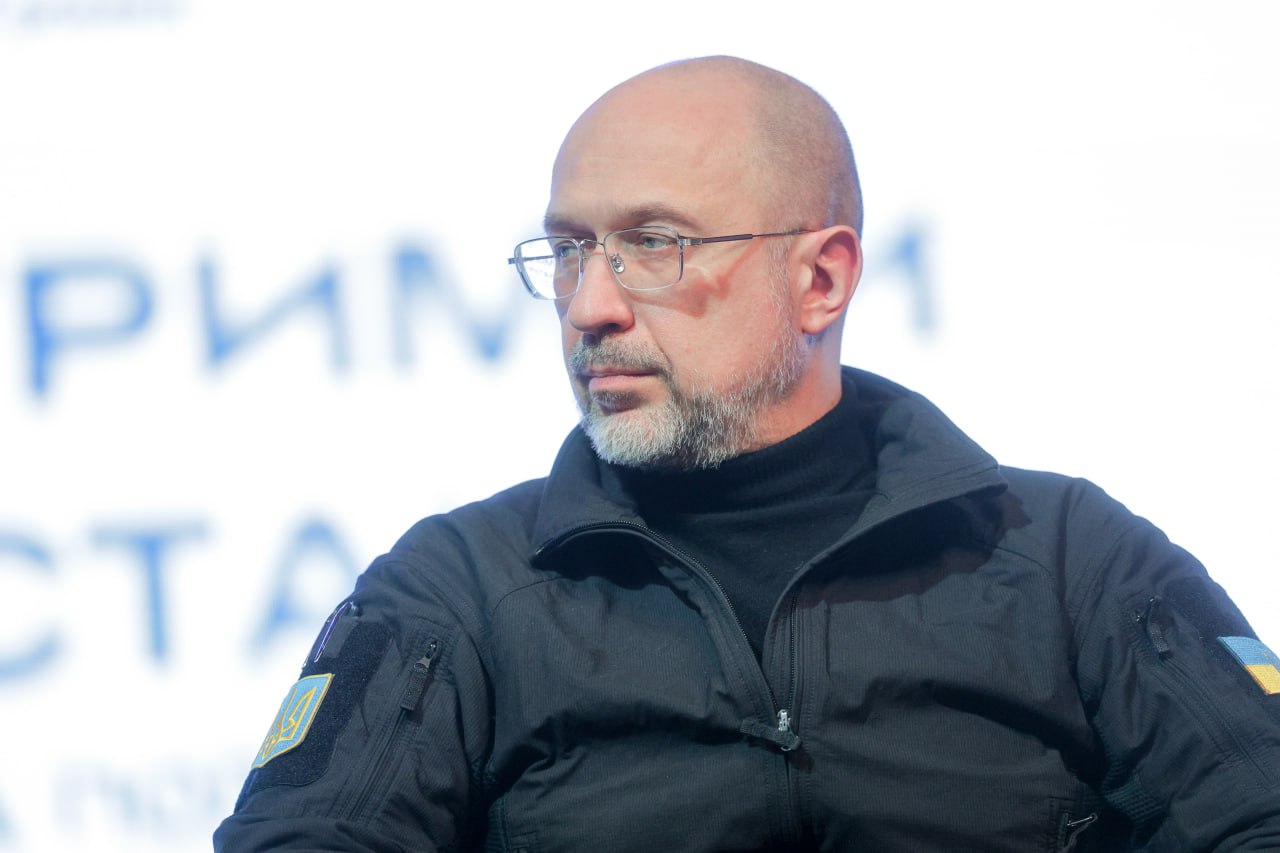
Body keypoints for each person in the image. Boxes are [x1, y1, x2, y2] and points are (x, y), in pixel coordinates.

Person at [215, 56, 1280, 851]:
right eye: (571, 249)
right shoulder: (457, 589)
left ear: (820, 280)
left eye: (653, 244)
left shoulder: (1067, 559)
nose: (588, 306)